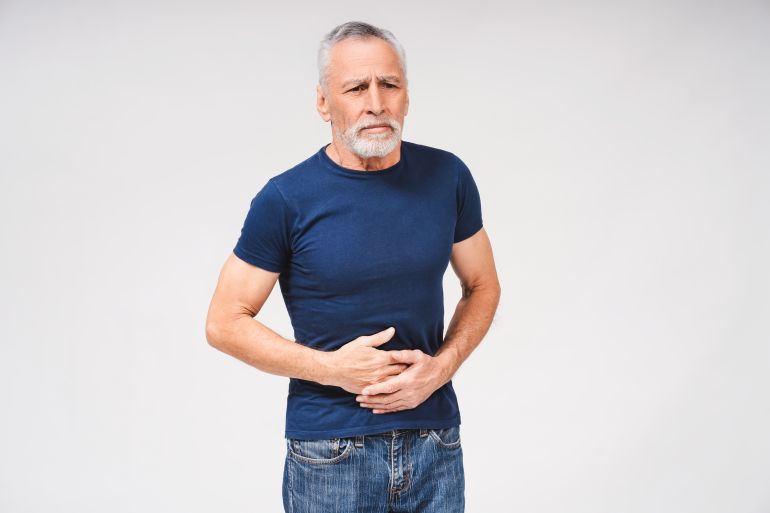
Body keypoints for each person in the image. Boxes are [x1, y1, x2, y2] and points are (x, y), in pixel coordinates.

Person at [205, 20, 500, 513]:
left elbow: (482, 284)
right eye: (356, 88)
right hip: (331, 453)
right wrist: (331, 368)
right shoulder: (286, 199)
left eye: (389, 85)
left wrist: (441, 369)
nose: (376, 103)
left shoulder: (447, 176)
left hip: (435, 442)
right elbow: (223, 322)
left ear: (407, 96)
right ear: (324, 103)